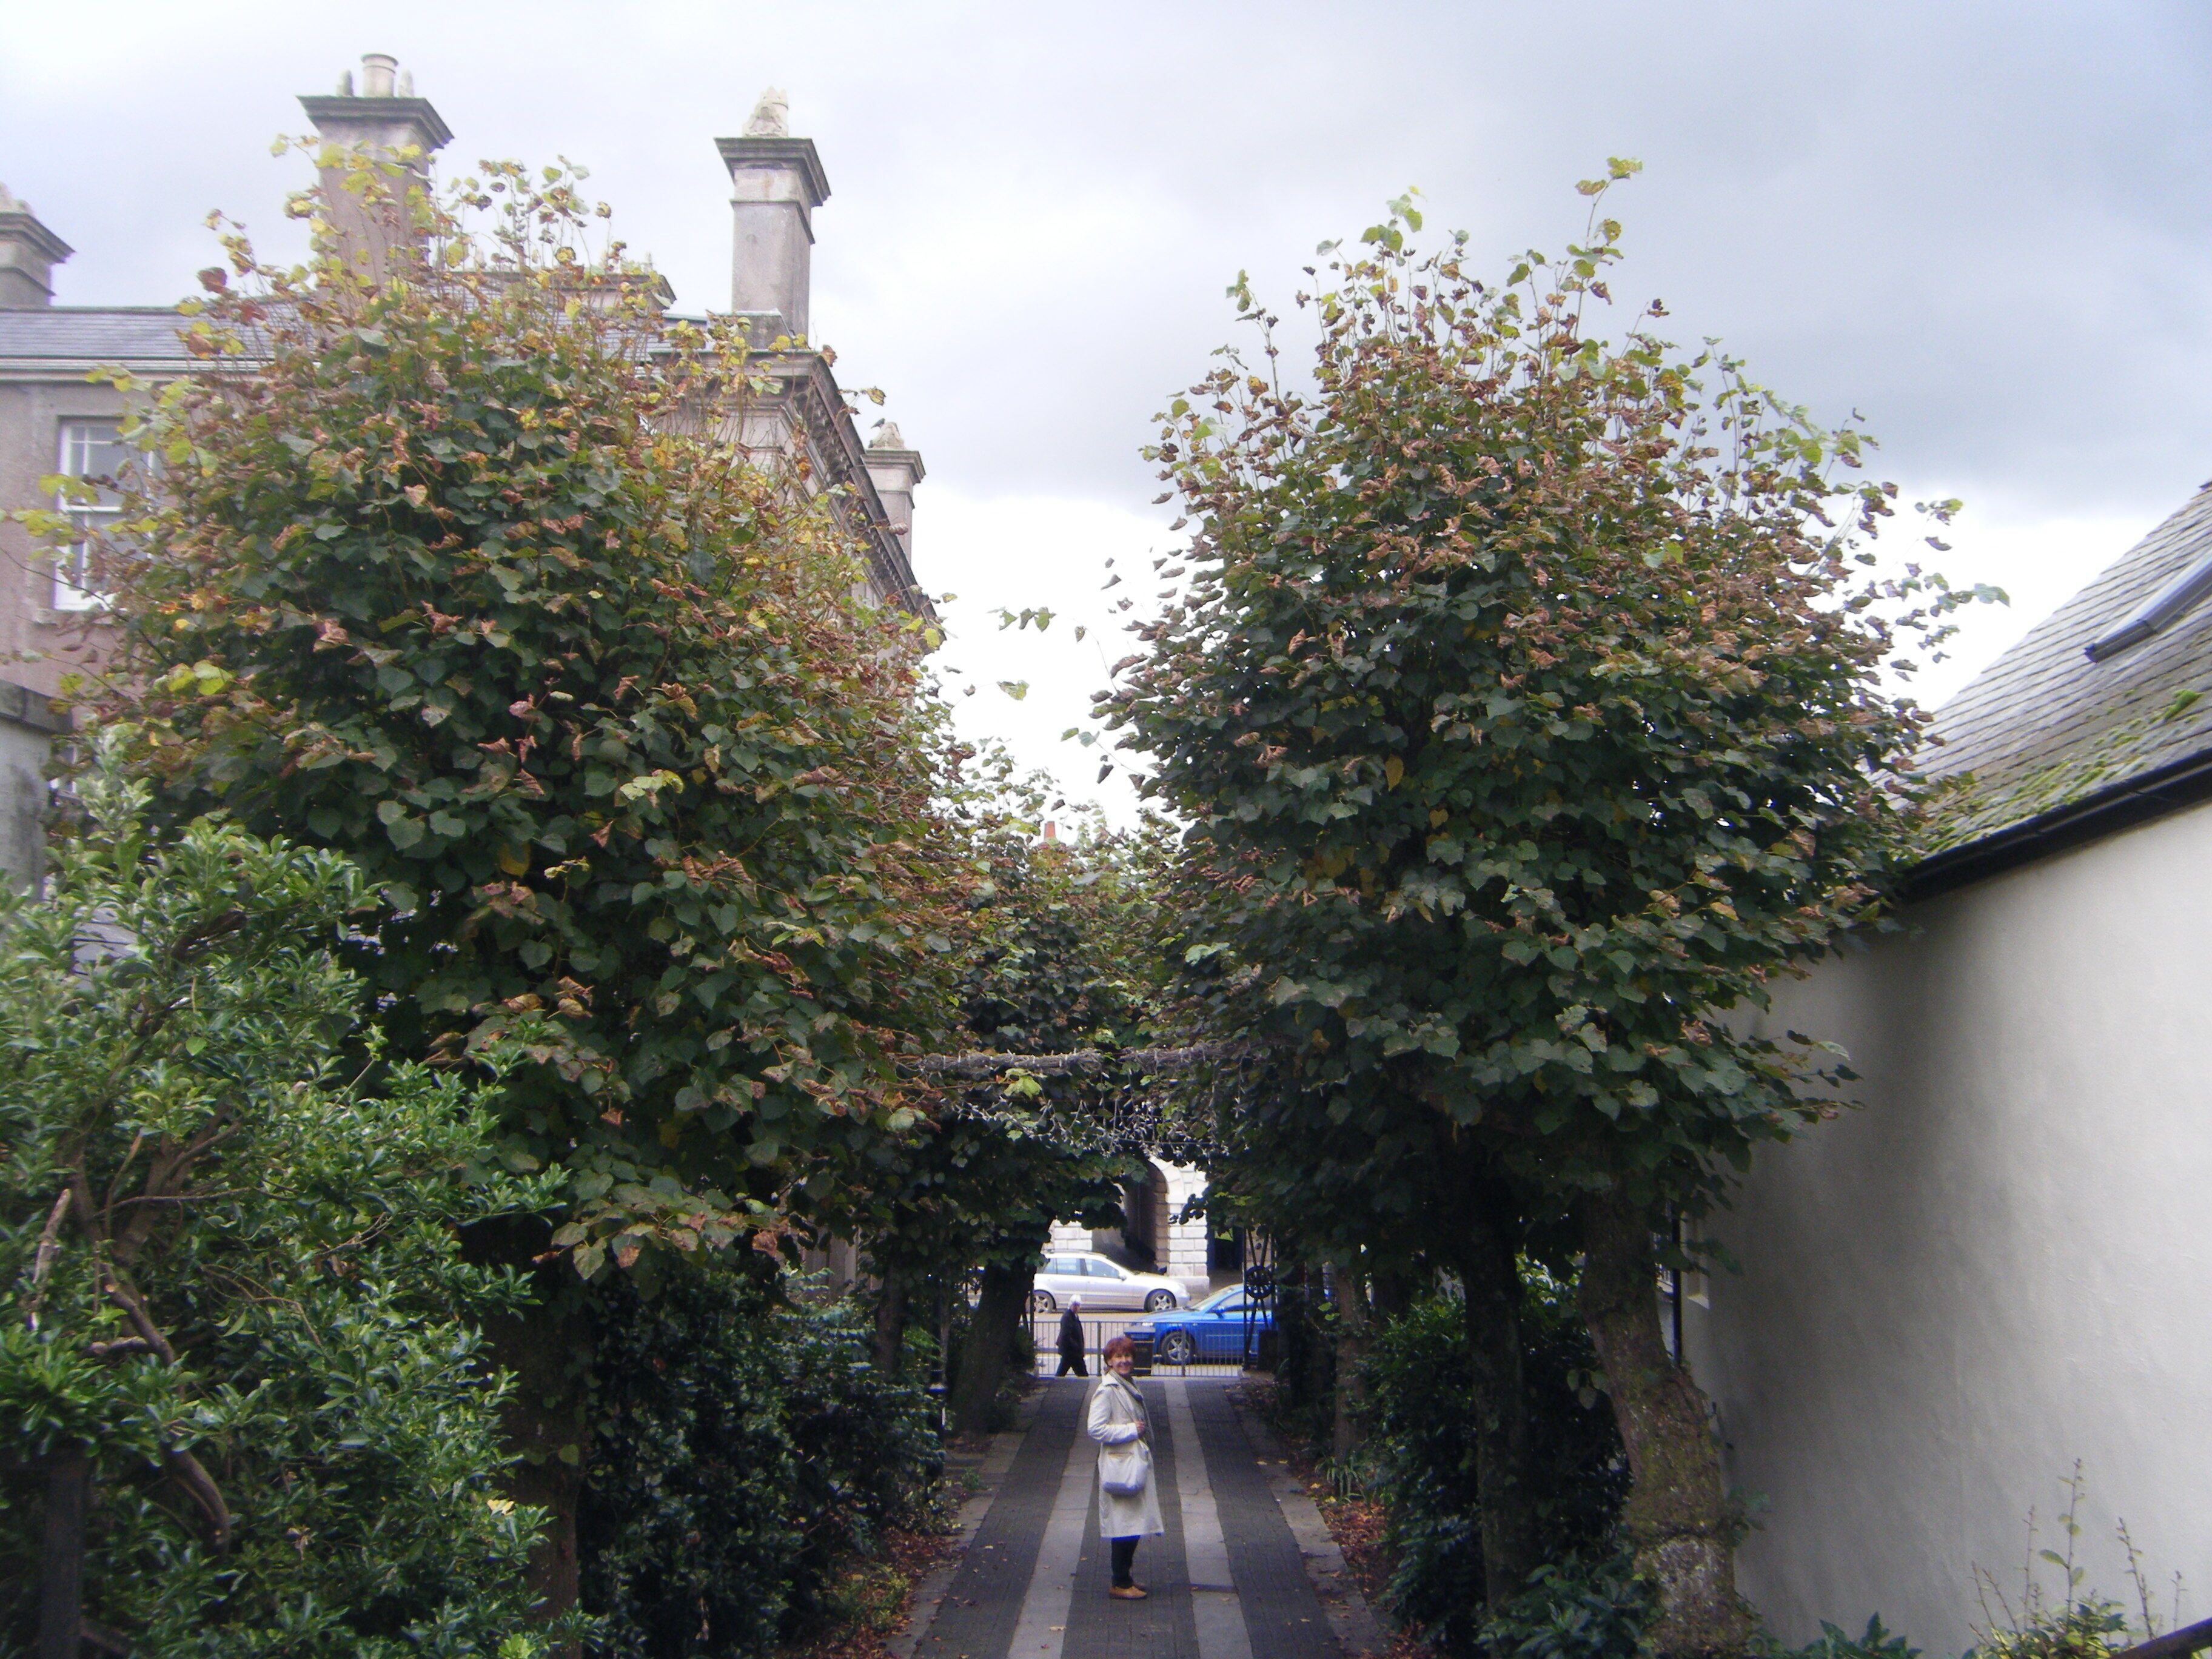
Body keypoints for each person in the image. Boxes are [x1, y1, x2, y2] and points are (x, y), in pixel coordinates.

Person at [1085, 1334, 1163, 1599]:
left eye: (1128, 1356)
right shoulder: (1107, 1390)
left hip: (1131, 1462)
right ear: (1109, 1361)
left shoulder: (1127, 1384)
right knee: (1124, 1526)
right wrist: (1130, 1430)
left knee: (1132, 1524)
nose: (1124, 1361)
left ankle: (1124, 1577)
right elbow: (1095, 1429)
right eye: (1118, 1357)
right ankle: (1120, 1582)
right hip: (1121, 1465)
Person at [1056, 1298, 1088, 1377]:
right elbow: (1065, 1335)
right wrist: (1076, 1347)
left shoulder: (1073, 1316)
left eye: (1078, 1305)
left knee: (1061, 1372)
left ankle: (1055, 1382)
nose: (1076, 1307)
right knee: (1083, 1374)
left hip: (1071, 1352)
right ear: (1070, 1305)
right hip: (1072, 1352)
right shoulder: (1068, 1317)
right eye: (1075, 1305)